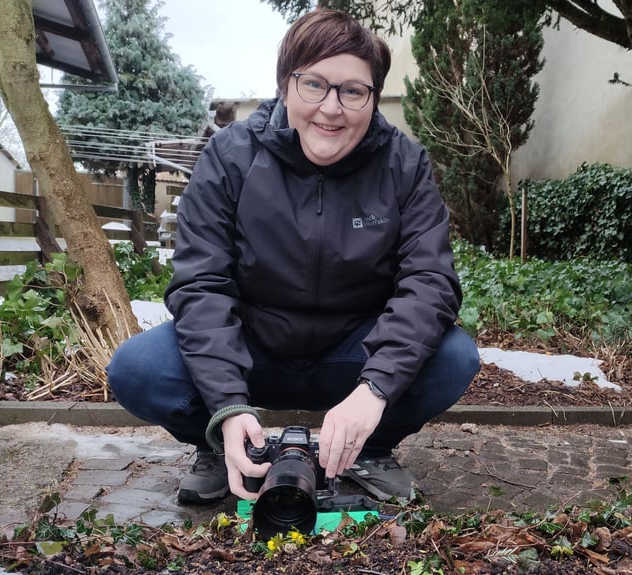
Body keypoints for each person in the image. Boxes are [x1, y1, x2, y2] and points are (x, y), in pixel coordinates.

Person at [106, 8, 479, 504]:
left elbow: (430, 281)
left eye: (352, 91)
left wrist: (375, 390)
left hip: (354, 354)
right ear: (285, 85)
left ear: (372, 97)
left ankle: (369, 447)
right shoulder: (230, 157)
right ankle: (223, 446)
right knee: (137, 369)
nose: (331, 108)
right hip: (252, 348)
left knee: (454, 358)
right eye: (314, 85)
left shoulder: (404, 165)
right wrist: (226, 404)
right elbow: (202, 284)